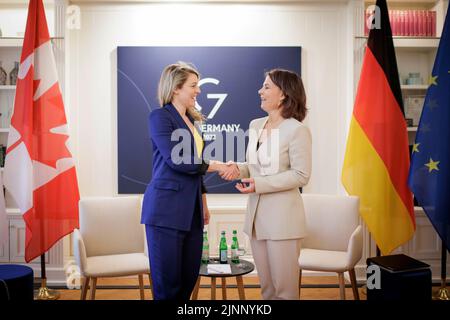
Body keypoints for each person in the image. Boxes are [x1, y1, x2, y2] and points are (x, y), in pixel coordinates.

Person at [141, 62, 238, 300]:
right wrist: (217, 165)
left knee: (187, 280)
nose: (198, 90)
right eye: (193, 86)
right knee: (168, 287)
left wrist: (203, 203)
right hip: (165, 212)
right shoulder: (160, 117)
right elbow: (179, 160)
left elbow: (195, 170)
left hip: (191, 212)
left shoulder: (192, 122)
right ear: (175, 88)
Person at [223, 69, 312, 300]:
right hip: (255, 220)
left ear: (283, 94)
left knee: (285, 291)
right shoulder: (256, 125)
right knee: (267, 290)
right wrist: (237, 168)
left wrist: (259, 184)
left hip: (283, 220)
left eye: (266, 87)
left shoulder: (297, 130)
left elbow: (301, 175)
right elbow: (255, 166)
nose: (260, 91)